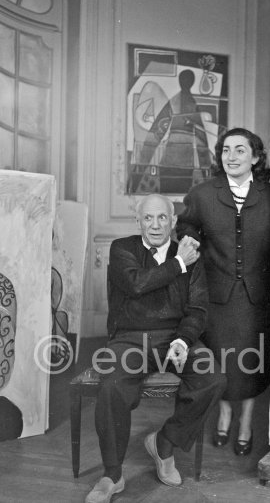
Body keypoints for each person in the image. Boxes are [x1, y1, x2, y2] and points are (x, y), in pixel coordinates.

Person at [85, 194, 226, 503]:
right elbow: (136, 283)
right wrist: (178, 264)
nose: (155, 224)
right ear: (138, 222)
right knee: (112, 385)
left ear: (173, 222)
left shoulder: (190, 255)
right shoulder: (123, 249)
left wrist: (182, 340)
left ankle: (164, 443)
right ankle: (112, 475)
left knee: (213, 378)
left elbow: (199, 309)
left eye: (162, 217)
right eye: (148, 218)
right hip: (130, 338)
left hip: (175, 336)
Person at [176, 127, 270, 456]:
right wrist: (188, 237)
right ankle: (225, 414)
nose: (231, 157)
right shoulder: (203, 193)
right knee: (222, 361)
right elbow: (187, 224)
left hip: (255, 294)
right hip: (216, 294)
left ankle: (246, 419)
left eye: (240, 150)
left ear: (256, 157)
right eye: (226, 150)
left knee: (250, 361)